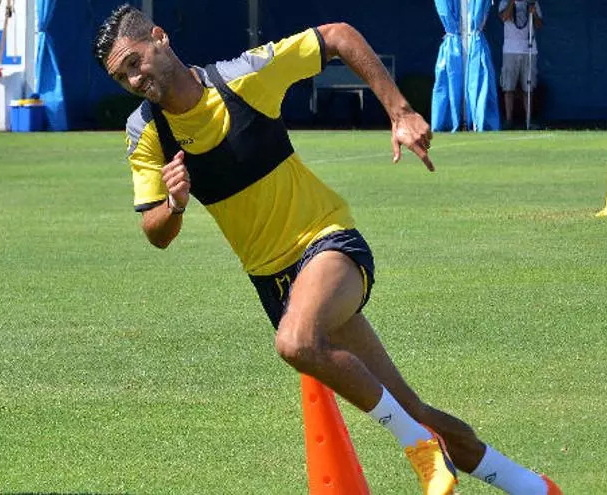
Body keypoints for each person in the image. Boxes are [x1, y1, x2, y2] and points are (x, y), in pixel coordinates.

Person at [92, 5, 561, 494]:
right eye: (121, 76)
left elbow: (337, 35)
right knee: (412, 408)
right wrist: (175, 203)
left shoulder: (242, 79)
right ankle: (532, 487)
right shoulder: (145, 131)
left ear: (160, 38)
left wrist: (400, 111)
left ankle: (419, 447)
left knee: (295, 343)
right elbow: (156, 231)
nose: (133, 79)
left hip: (328, 243)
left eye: (135, 61)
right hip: (275, 285)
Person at [498, 0, 543, 130]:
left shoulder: (533, 2)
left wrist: (534, 13)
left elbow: (539, 25)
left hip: (529, 49)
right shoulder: (505, 2)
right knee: (508, 87)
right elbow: (504, 17)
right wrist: (512, 2)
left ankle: (529, 120)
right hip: (510, 49)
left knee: (528, 87)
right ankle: (508, 120)